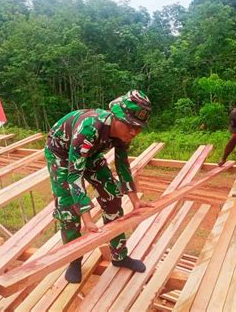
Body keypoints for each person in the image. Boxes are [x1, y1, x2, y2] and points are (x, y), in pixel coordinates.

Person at [45, 90, 154, 283]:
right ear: (117, 117)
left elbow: (122, 165)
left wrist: (135, 201)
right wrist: (87, 218)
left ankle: (119, 256)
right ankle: (74, 260)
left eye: (138, 128)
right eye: (130, 126)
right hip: (61, 154)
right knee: (68, 210)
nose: (134, 132)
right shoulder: (90, 128)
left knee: (112, 195)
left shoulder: (123, 135)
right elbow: (75, 174)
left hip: (91, 153)